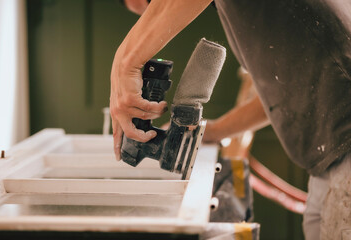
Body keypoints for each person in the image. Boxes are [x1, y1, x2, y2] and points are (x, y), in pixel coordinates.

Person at [110, 1, 351, 239]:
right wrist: (214, 131)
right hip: (329, 160)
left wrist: (125, 63)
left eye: (152, 6)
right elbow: (283, 92)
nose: (156, 16)